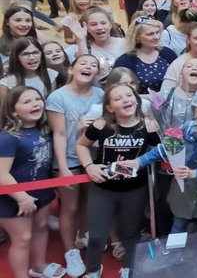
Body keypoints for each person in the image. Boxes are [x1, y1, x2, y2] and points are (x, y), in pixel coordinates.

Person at [76, 83, 160, 278]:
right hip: (103, 187)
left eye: (129, 95)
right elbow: (81, 145)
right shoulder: (101, 124)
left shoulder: (148, 124)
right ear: (109, 107)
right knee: (96, 236)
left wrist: (141, 160)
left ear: (137, 100)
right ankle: (94, 269)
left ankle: (129, 268)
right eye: (118, 98)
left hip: (134, 189)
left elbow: (161, 151)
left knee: (130, 233)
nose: (126, 100)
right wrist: (90, 166)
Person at [124, 93, 197, 233]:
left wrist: (194, 173)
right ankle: (173, 254)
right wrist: (139, 161)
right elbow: (166, 149)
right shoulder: (189, 126)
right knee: (178, 226)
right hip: (183, 187)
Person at [46, 54, 103, 277]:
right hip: (68, 159)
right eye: (84, 63)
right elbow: (59, 134)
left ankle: (84, 234)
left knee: (89, 202)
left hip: (93, 158)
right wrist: (62, 168)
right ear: (71, 69)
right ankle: (71, 251)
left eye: (94, 65)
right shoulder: (57, 97)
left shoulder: (100, 94)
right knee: (69, 207)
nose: (88, 67)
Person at [0, 87, 64, 278]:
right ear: (13, 110)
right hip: (13, 198)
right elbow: (1, 173)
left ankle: (39, 265)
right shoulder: (8, 137)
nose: (35, 103)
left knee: (41, 228)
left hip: (41, 192)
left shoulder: (43, 130)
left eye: (37, 99)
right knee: (23, 238)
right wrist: (21, 197)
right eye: (27, 101)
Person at [115, 17, 177, 94]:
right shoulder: (124, 61)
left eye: (157, 32)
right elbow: (118, 91)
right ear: (137, 37)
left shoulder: (168, 54)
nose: (156, 37)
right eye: (150, 34)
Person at [0, 37, 58, 101]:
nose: (32, 57)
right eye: (25, 54)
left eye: (35, 52)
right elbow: (5, 110)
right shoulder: (7, 84)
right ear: (16, 57)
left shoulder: (52, 75)